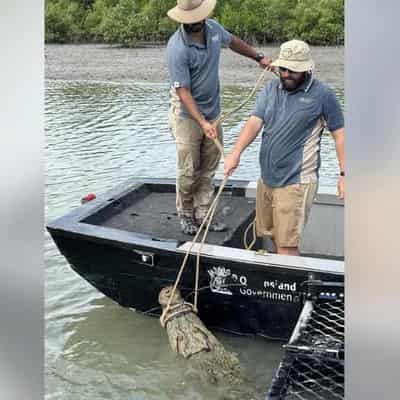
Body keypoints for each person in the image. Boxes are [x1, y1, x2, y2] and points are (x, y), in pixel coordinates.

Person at [224, 39, 345, 256]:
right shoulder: (270, 88)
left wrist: (344, 175)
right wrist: (235, 154)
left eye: (293, 70)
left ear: (307, 69)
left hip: (296, 182)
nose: (287, 74)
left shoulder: (323, 95)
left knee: (287, 245)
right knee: (270, 234)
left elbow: (340, 135)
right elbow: (254, 122)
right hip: (268, 179)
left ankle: (290, 286)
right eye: (283, 68)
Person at [166, 0, 272, 235]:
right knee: (188, 169)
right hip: (186, 115)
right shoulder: (177, 47)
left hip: (213, 112)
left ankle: (204, 214)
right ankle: (185, 213)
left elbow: (233, 41)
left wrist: (258, 57)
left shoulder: (213, 29)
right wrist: (202, 122)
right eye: (189, 19)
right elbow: (183, 91)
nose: (193, 22)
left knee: (209, 166)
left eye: (197, 18)